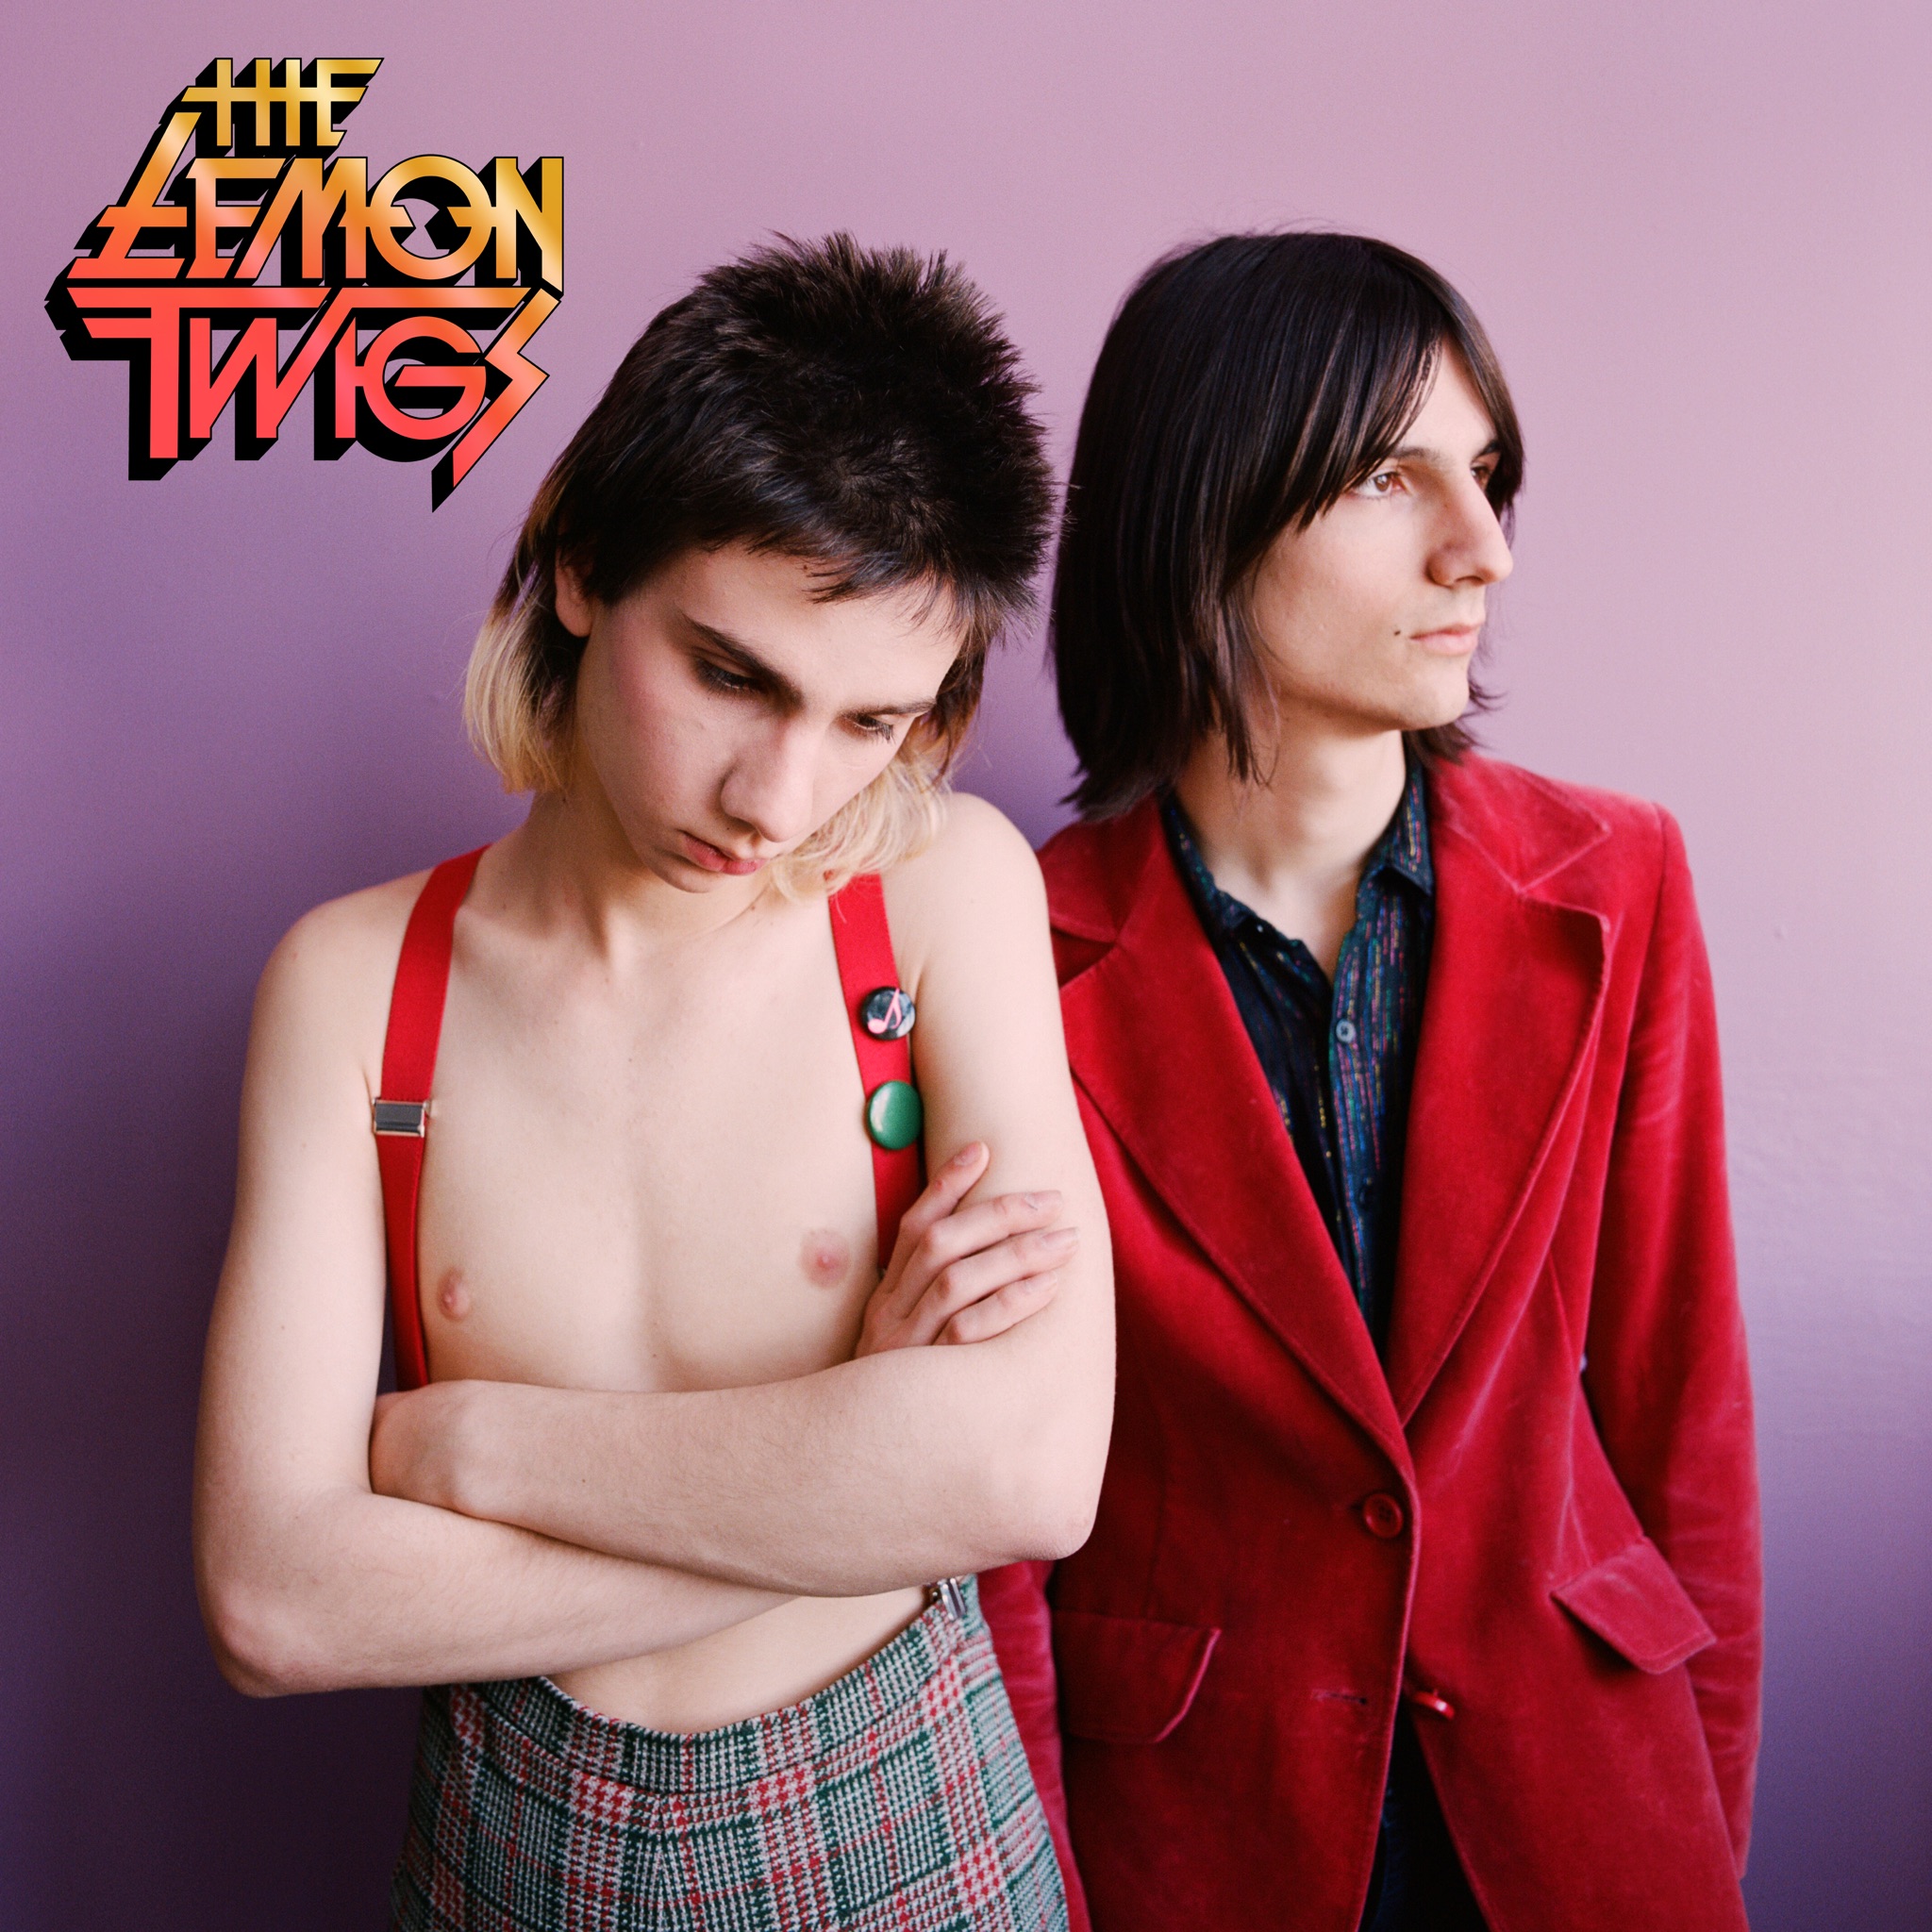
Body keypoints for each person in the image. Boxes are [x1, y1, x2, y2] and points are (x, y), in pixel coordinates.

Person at [192, 234, 1112, 1932]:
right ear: (578, 566)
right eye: (731, 675)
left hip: (900, 1804)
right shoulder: (353, 987)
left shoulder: (939, 894)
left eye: (871, 724)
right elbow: (276, 1601)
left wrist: (475, 1445)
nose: (780, 798)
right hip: (510, 1835)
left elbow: (1034, 1474)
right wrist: (857, 1485)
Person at [976, 232, 1760, 1932]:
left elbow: (1680, 1410)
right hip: (1203, 1829)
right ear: (1207, 510)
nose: (1482, 546)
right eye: (1390, 477)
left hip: (1580, 1804)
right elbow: (1004, 1543)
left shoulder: (1617, 882)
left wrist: (1698, 1822)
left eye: (1485, 473)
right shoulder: (1006, 954)